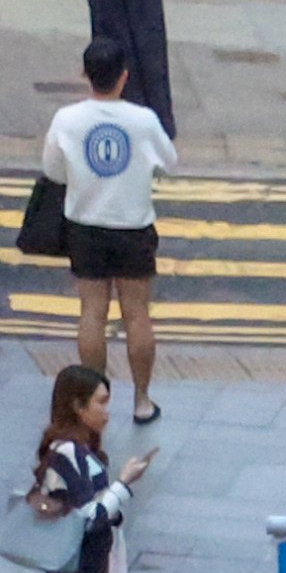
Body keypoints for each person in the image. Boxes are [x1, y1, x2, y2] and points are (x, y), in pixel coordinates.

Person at [39, 53, 166, 426]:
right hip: (133, 225)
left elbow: (52, 170)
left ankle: (93, 401)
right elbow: (167, 160)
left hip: (85, 226)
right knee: (137, 313)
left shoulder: (67, 119)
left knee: (92, 312)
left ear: (85, 74)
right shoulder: (143, 120)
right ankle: (142, 400)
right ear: (124, 77)